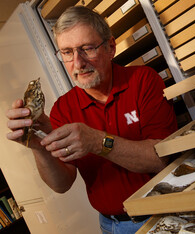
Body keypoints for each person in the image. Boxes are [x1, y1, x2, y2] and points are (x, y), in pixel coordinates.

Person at [5, 5, 177, 234]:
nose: (77, 63)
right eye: (67, 52)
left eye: (87, 48)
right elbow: (61, 184)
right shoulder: (63, 109)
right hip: (112, 225)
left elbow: (161, 158)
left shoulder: (143, 80)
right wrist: (38, 147)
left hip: (166, 213)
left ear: (110, 47)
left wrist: (97, 142)